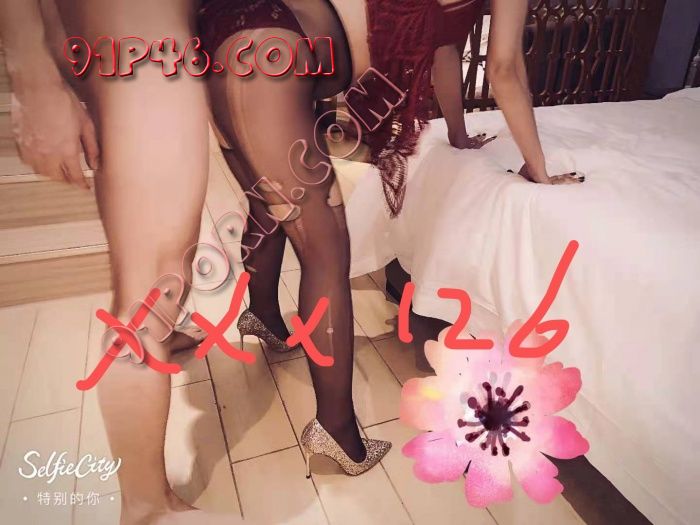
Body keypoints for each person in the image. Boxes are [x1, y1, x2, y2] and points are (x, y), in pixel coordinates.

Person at [1, 1, 239, 523]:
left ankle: (148, 498)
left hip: (136, 41)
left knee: (153, 274)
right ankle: (147, 507)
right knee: (146, 297)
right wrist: (33, 77)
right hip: (144, 42)